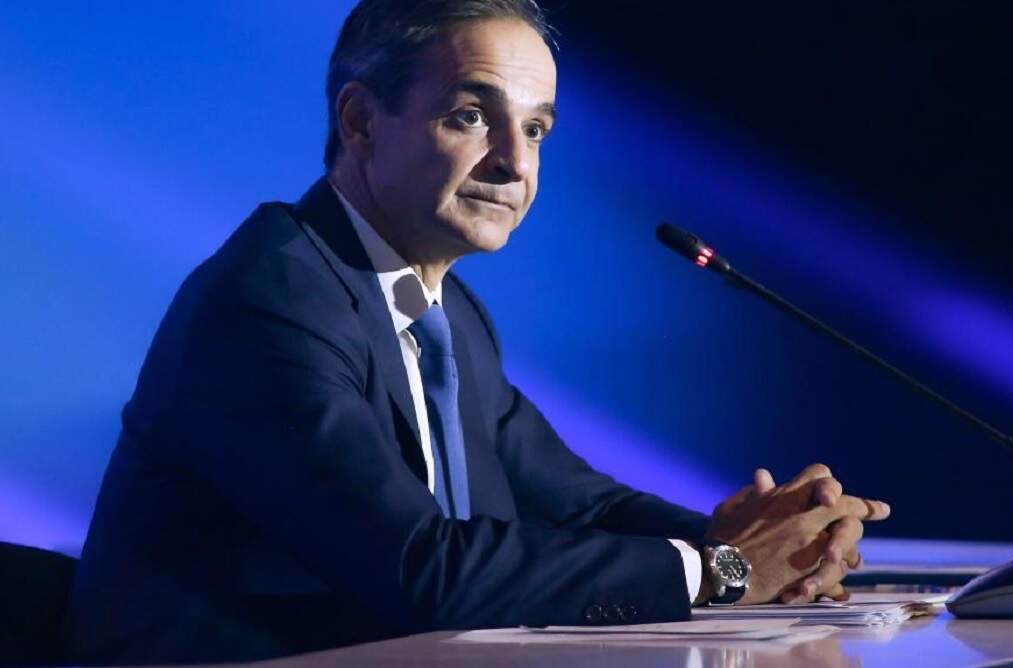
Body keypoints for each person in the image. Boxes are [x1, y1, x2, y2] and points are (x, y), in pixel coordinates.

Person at [62, 1, 890, 664]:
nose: (515, 164)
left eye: (535, 129)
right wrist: (723, 572)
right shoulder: (271, 297)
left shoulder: (445, 311)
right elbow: (423, 569)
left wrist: (765, 544)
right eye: (470, 115)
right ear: (361, 122)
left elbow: (583, 506)